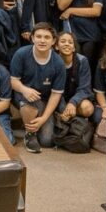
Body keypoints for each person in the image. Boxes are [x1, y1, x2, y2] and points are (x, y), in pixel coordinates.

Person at [11, 22, 66, 153]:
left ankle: (42, 120)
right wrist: (25, 89)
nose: (42, 40)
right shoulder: (21, 54)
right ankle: (30, 134)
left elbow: (56, 94)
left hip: (46, 99)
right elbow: (13, 81)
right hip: (24, 95)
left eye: (47, 37)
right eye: (39, 36)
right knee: (29, 102)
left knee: (47, 141)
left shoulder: (58, 63)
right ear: (32, 38)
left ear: (53, 41)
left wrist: (43, 119)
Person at [55, 31, 94, 123]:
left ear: (73, 48)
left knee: (87, 108)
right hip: (56, 98)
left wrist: (73, 102)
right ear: (56, 46)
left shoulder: (82, 61)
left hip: (76, 97)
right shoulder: (53, 61)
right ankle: (65, 115)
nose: (67, 44)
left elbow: (84, 88)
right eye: (63, 41)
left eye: (70, 42)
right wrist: (63, 108)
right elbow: (54, 90)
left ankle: (70, 116)